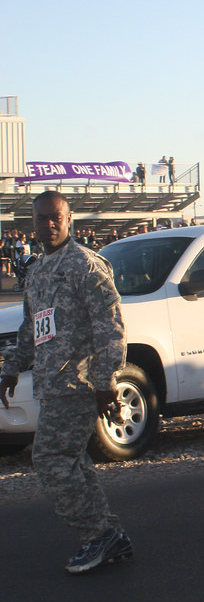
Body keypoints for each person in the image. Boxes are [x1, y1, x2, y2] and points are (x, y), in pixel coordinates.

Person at [0, 191, 131, 574]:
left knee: (50, 458)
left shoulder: (86, 266)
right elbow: (31, 327)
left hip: (79, 382)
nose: (49, 224)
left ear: (69, 219)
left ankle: (97, 535)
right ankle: (108, 534)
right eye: (42, 218)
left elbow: (112, 325)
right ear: (34, 223)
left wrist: (107, 378)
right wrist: (12, 368)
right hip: (51, 383)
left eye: (56, 217)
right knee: (71, 459)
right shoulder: (39, 269)